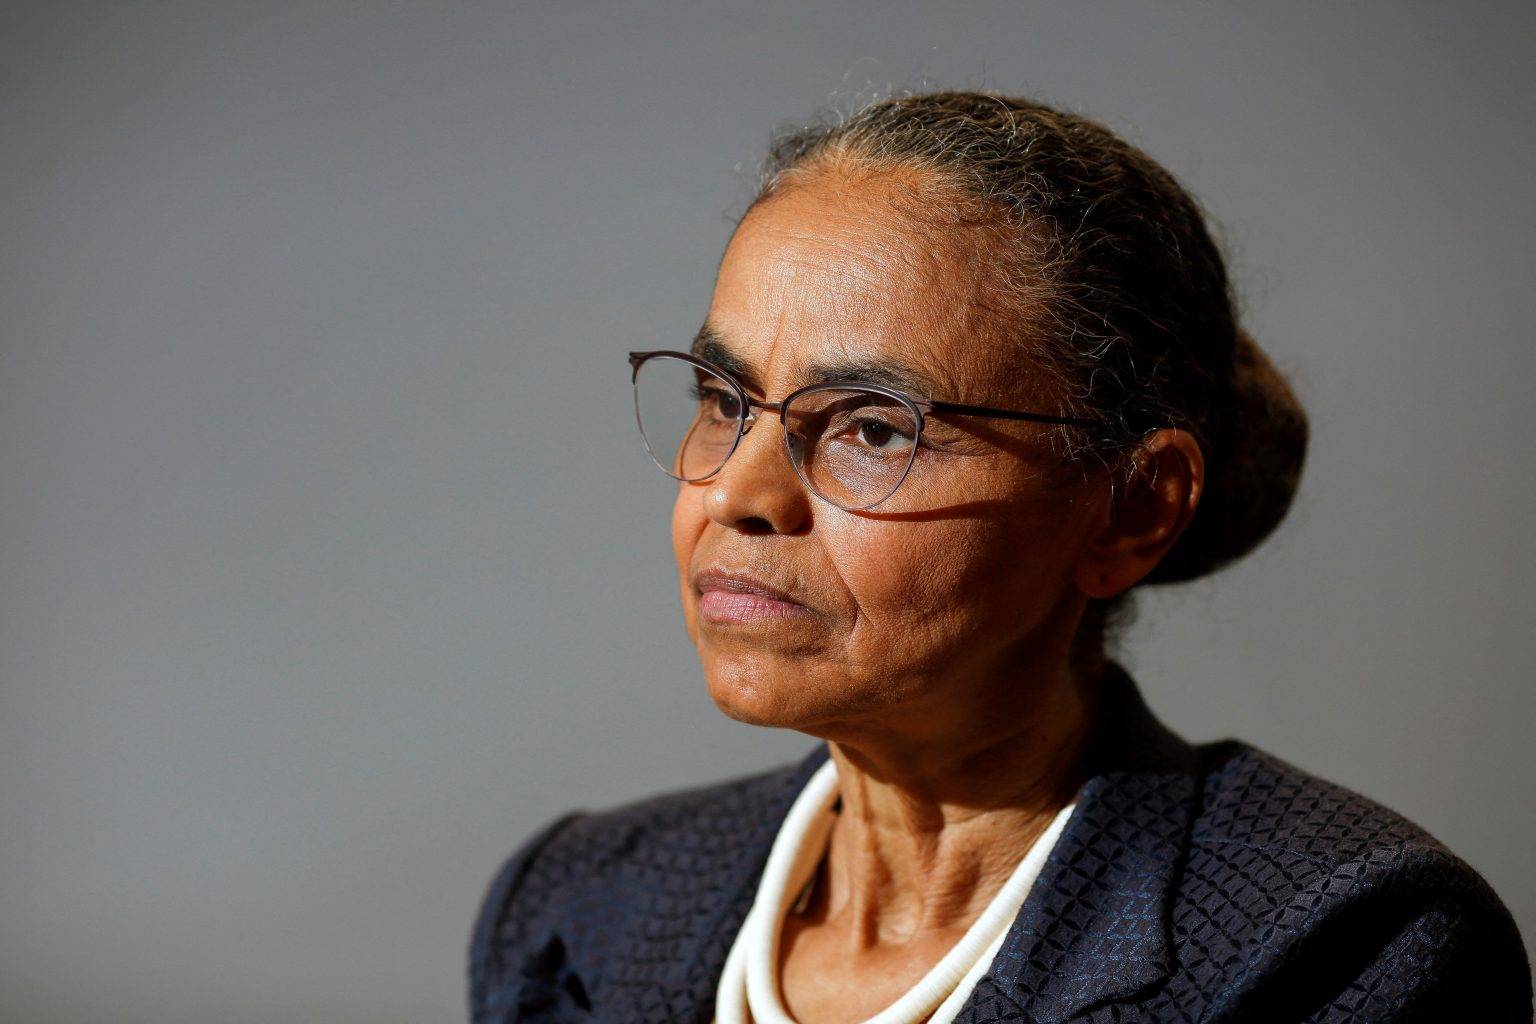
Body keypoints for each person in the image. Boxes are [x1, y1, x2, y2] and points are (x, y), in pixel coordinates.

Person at [467, 91, 1531, 1023]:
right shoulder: (578, 911)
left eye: (872, 427)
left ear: (1130, 509)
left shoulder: (1334, 945)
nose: (734, 495)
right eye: (721, 399)